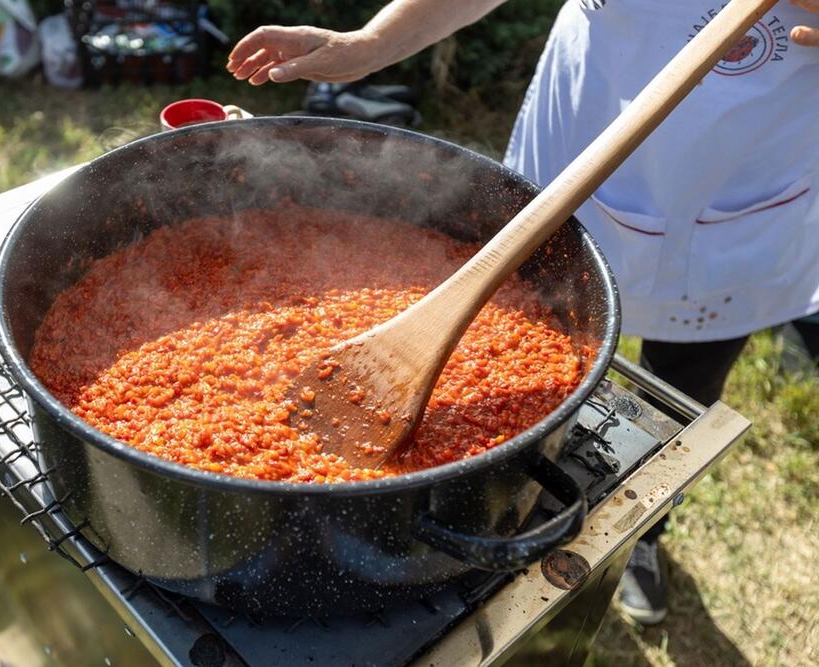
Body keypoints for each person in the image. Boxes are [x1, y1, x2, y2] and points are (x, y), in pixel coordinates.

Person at [227, 0, 819, 625]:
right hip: (579, 127)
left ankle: (642, 536)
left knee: (681, 394)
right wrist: (370, 42)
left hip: (743, 174)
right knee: (529, 319)